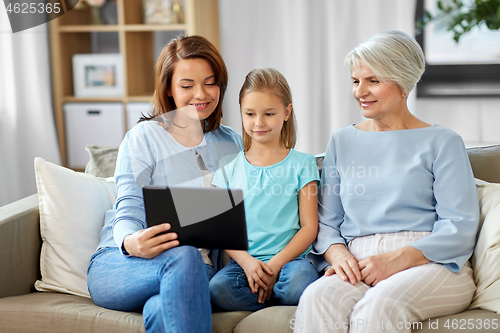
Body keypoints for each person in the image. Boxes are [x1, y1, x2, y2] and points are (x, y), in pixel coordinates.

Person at [294, 30, 479, 333]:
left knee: (379, 306)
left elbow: (459, 224)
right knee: (316, 297)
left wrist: (398, 259)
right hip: (359, 260)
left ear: (404, 83)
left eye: (373, 81)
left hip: (431, 262)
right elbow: (328, 222)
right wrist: (339, 255)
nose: (359, 92)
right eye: (356, 81)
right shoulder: (342, 141)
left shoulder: (442, 141)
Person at [86, 35, 243, 333]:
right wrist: (131, 243)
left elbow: (238, 219)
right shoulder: (144, 137)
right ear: (169, 89)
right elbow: (128, 208)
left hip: (198, 271)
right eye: (187, 86)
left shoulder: (232, 142)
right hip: (122, 264)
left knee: (160, 309)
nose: (201, 94)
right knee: (183, 257)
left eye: (210, 83)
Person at [209, 68, 320, 311]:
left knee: (299, 284)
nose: (259, 123)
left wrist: (275, 265)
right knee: (217, 289)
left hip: (291, 261)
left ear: (286, 112)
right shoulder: (227, 167)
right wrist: (248, 263)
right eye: (250, 114)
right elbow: (221, 230)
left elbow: (310, 228)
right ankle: (268, 293)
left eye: (269, 113)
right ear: (241, 113)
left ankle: (266, 291)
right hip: (244, 263)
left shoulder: (303, 163)